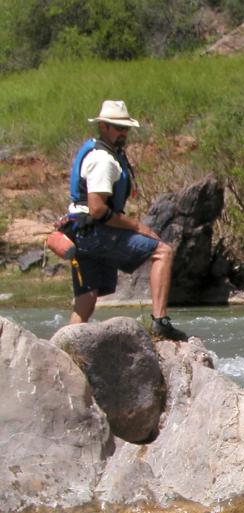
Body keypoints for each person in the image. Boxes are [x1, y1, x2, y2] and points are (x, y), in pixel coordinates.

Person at [64, 100, 187, 341]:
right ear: (103, 127)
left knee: (87, 298)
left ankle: (64, 346)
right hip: (93, 232)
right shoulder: (104, 161)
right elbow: (98, 209)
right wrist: (138, 226)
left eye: (125, 128)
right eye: (116, 127)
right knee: (162, 252)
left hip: (80, 231)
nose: (123, 133)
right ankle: (160, 321)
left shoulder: (98, 151)